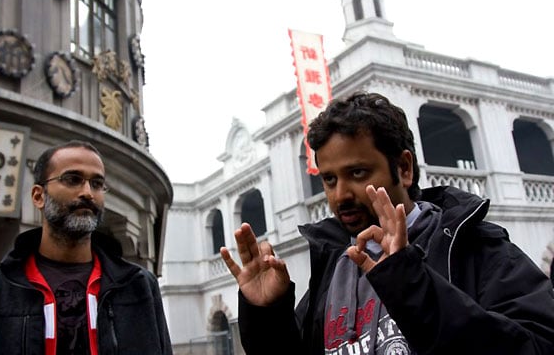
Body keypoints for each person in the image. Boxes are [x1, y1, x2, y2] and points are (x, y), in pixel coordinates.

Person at [220, 91, 554, 354]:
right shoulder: (334, 265)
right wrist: (266, 314)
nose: (340, 195)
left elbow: (537, 346)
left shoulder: (472, 247)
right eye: (329, 179)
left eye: (357, 173)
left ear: (404, 169)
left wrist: (411, 284)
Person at [0, 140, 173, 354]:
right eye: (73, 179)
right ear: (39, 196)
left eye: (97, 184)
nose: (87, 192)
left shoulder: (139, 286)